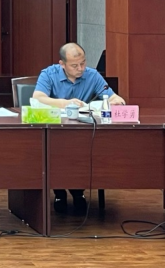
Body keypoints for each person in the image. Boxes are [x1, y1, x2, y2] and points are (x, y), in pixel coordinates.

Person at [33, 42, 126, 214]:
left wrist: (115, 102)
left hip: (82, 131)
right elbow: (38, 98)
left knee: (83, 151)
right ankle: (59, 192)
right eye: (74, 65)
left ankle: (78, 191)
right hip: (54, 131)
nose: (81, 68)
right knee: (55, 151)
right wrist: (64, 103)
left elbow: (113, 97)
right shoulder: (49, 74)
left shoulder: (92, 75)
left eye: (83, 63)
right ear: (62, 64)